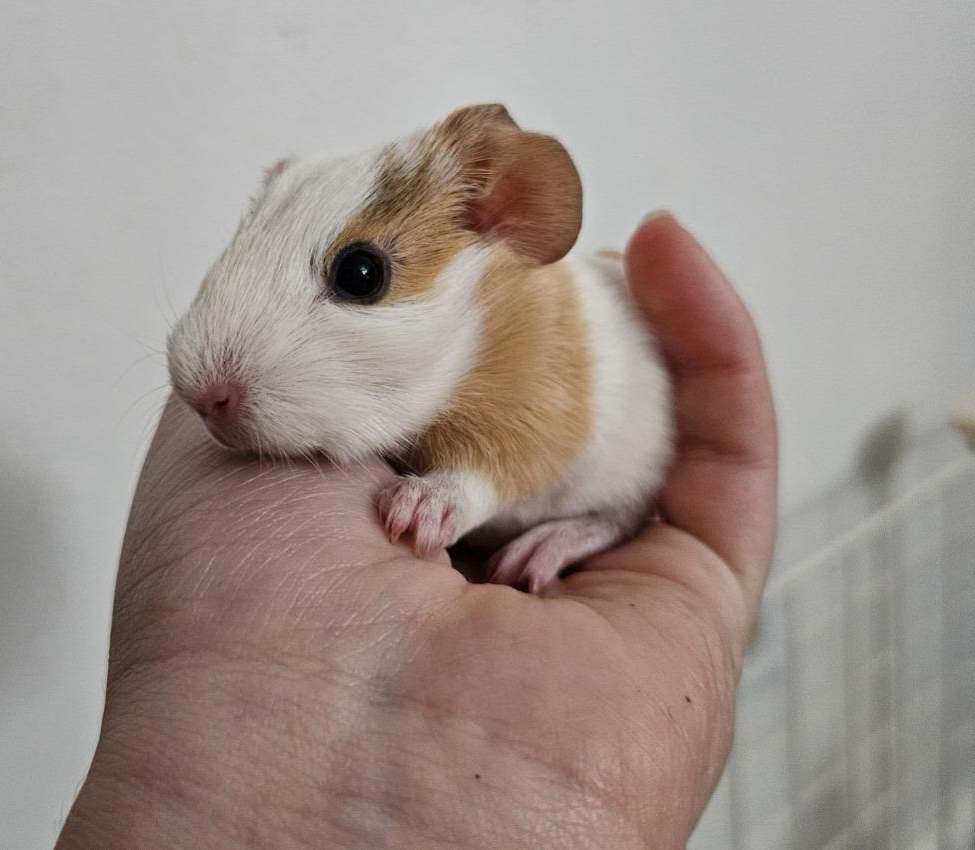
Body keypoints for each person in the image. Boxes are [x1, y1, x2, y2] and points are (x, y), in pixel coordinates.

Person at [56, 213, 778, 849]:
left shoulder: (529, 311)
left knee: (622, 462)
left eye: (360, 276)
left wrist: (462, 493)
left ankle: (598, 525)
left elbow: (549, 429)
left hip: (599, 483)